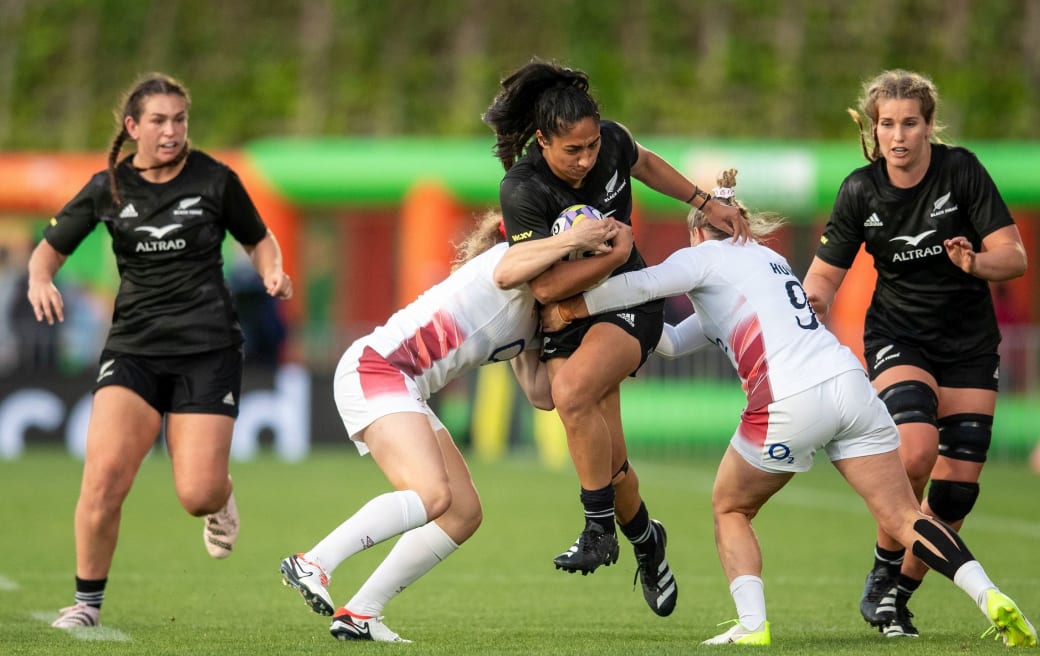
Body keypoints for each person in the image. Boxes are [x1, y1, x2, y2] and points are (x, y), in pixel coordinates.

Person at [542, 170, 1038, 648]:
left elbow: (639, 287)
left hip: (790, 399)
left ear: (700, 227)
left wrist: (567, 307)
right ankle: (988, 594)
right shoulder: (764, 259)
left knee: (730, 507)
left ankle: (752, 624)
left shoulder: (707, 255)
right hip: (848, 384)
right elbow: (669, 342)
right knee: (905, 515)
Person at [481, 57, 748, 618]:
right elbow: (550, 287)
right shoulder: (522, 188)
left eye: (591, 147)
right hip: (566, 314)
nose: (585, 160)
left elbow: (644, 161)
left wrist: (703, 202)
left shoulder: (613, 142)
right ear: (541, 141)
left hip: (631, 303)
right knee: (613, 464)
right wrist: (616, 251)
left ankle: (596, 527)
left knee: (570, 393)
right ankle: (648, 544)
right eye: (571, 151)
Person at [28, 72, 294, 629]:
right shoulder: (108, 187)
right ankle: (85, 604)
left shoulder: (216, 180)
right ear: (133, 127)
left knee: (196, 493)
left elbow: (258, 238)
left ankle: (221, 496)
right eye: (159, 120)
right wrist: (39, 281)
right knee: (103, 479)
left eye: (180, 120)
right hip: (133, 350)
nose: (172, 131)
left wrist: (272, 271)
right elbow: (48, 251)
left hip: (208, 350)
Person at [279, 211, 620, 643]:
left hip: (406, 385)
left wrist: (562, 337)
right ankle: (314, 563)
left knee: (462, 513)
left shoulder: (537, 310)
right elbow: (512, 268)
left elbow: (540, 394)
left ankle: (361, 613)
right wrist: (580, 240)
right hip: (378, 368)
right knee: (432, 495)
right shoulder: (508, 261)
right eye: (582, 257)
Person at [801, 70, 1028, 638]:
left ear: (929, 127)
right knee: (914, 452)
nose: (897, 136)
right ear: (873, 130)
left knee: (954, 495)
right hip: (899, 336)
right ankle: (883, 572)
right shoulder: (860, 190)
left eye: (909, 123)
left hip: (970, 344)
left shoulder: (963, 171)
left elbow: (1015, 256)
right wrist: (809, 311)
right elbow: (823, 280)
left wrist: (975, 262)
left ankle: (896, 596)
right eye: (886, 124)